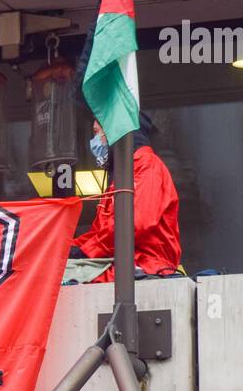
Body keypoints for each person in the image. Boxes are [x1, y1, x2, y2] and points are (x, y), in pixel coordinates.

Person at [70, 112, 181, 281]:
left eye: (98, 129)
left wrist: (85, 251)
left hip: (146, 264)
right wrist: (68, 249)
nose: (95, 134)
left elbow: (135, 223)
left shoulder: (146, 165)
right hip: (121, 262)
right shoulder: (124, 174)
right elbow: (100, 233)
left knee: (60, 281)